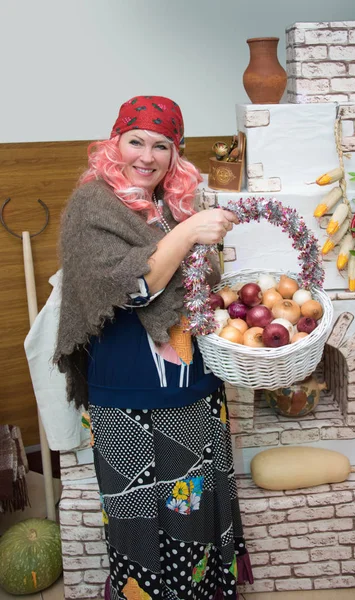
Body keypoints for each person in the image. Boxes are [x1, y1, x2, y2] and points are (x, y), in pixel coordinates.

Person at [54, 95, 253, 600]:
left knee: (193, 513)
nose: (147, 155)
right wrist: (189, 233)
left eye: (161, 145)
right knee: (137, 519)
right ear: (114, 144)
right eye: (135, 140)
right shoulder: (91, 205)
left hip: (194, 386)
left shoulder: (168, 205)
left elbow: (196, 286)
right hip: (127, 394)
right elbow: (135, 289)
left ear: (175, 154)